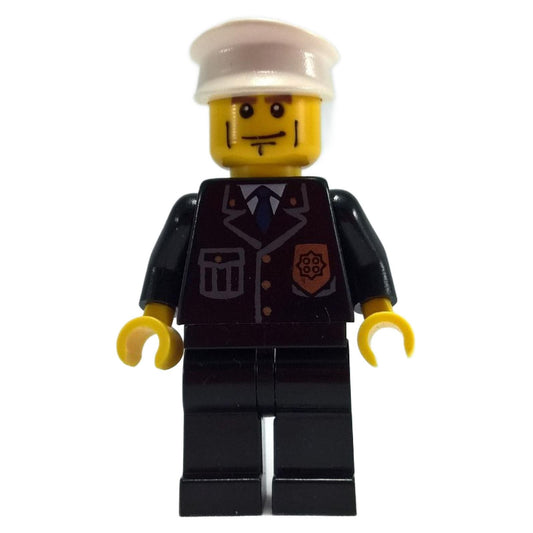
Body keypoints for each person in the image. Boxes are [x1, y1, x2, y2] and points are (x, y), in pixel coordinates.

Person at [117, 19, 414, 516]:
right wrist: (155, 320)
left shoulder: (332, 206)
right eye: (243, 109)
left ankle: (316, 482)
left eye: (278, 108)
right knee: (216, 417)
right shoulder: (197, 209)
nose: (259, 122)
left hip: (313, 338)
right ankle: (220, 484)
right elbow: (168, 267)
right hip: (218, 341)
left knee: (317, 412)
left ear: (312, 113)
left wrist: (379, 313)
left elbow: (365, 260)